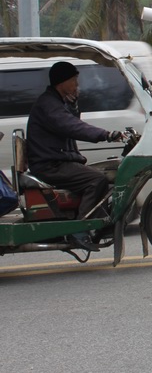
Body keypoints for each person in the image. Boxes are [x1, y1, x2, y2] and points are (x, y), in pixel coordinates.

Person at [27, 61, 123, 250]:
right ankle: (80, 231)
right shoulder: (49, 105)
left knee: (104, 173)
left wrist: (74, 104)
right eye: (73, 80)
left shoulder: (58, 102)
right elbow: (71, 126)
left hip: (58, 161)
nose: (77, 84)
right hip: (50, 165)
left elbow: (70, 122)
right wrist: (105, 134)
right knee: (96, 180)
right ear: (61, 82)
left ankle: (99, 224)